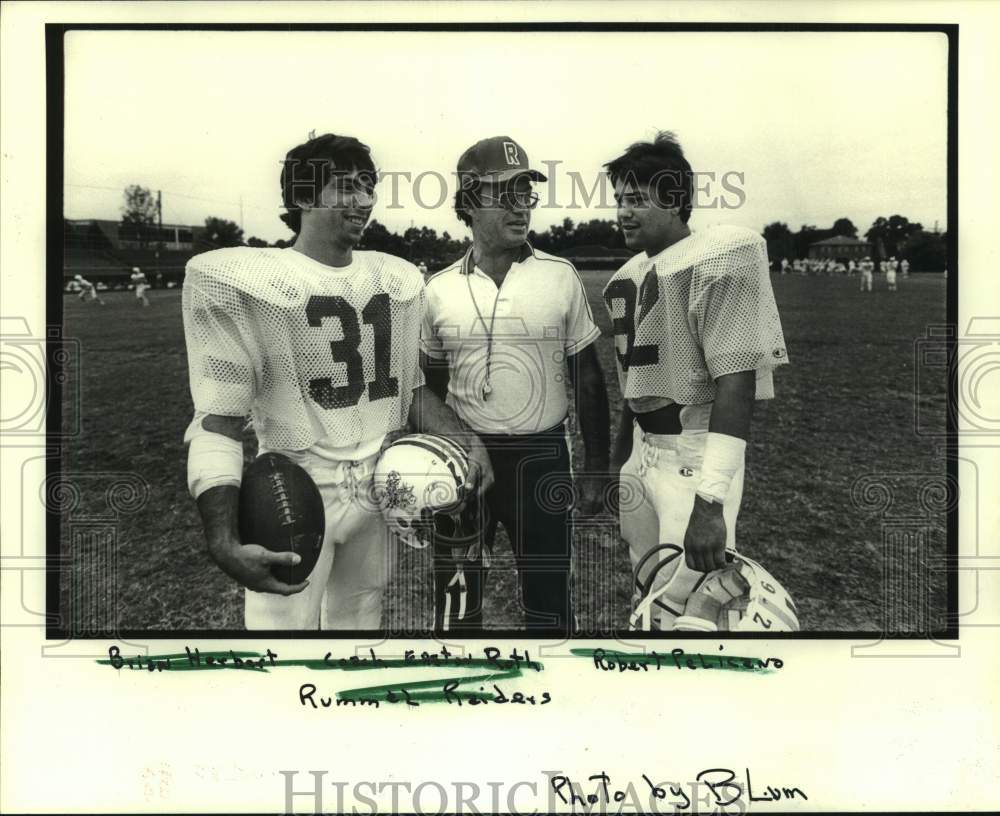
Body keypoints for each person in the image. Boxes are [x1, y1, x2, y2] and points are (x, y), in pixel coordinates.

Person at [182, 132, 493, 631]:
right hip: (299, 484)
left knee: (360, 624)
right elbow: (217, 421)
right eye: (347, 186)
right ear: (304, 195)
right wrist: (221, 535)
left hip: (379, 486)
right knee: (281, 633)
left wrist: (467, 442)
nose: (364, 200)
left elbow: (408, 388)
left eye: (368, 186)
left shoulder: (393, 277)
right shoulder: (246, 279)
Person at [421, 136, 609, 635]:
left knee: (549, 603)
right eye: (504, 193)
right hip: (465, 461)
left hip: (542, 456)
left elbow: (587, 376)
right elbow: (426, 389)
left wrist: (595, 469)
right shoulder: (438, 289)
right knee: (456, 599)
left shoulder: (559, 275)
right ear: (468, 203)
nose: (520, 205)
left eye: (525, 192)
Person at [601, 131, 788, 630]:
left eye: (637, 199)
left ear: (676, 200)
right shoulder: (629, 273)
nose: (623, 211)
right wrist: (620, 461)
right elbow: (634, 382)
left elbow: (736, 382)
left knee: (691, 611)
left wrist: (712, 503)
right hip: (645, 455)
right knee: (648, 599)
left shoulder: (722, 254)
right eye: (619, 199)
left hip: (694, 455)